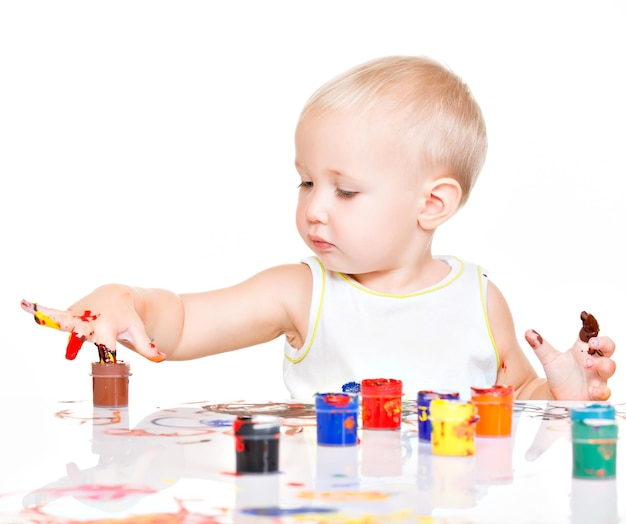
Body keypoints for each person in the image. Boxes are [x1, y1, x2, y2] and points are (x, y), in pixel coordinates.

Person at [21, 56, 616, 401]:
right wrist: (126, 301)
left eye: (345, 190)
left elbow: (511, 402)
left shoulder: (480, 299)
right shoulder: (303, 292)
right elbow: (182, 323)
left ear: (432, 204)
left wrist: (562, 390)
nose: (315, 209)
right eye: (306, 182)